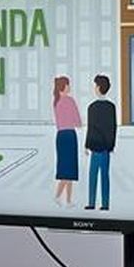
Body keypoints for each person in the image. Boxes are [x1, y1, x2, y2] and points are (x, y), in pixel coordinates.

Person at [84, 74, 117, 211]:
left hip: (95, 146)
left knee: (93, 175)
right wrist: (111, 145)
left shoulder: (92, 107)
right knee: (105, 176)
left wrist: (87, 145)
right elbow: (113, 127)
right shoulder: (111, 107)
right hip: (105, 148)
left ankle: (91, 203)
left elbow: (90, 127)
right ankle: (105, 204)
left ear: (98, 87)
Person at [52, 76, 81, 205]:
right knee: (69, 170)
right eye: (68, 85)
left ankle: (68, 200)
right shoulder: (69, 101)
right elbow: (78, 122)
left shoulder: (56, 102)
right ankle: (58, 196)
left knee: (65, 169)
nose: (70, 87)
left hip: (60, 136)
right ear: (64, 87)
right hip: (69, 135)